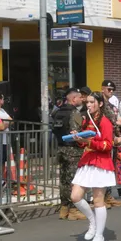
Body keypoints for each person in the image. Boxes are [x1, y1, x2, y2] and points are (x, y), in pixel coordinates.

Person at [69, 92, 116, 241]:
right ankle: (93, 222)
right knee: (75, 196)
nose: (88, 105)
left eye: (91, 102)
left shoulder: (105, 122)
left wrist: (89, 141)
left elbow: (108, 146)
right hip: (87, 161)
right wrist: (79, 140)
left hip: (101, 163)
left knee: (98, 201)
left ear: (100, 104)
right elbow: (85, 144)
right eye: (87, 102)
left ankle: (99, 237)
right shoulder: (87, 121)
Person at [52, 88, 87, 220]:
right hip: (73, 150)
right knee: (74, 180)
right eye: (79, 98)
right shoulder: (74, 113)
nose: (81, 100)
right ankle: (73, 210)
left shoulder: (57, 112)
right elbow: (76, 132)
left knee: (64, 179)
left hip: (61, 149)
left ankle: (64, 208)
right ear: (73, 99)